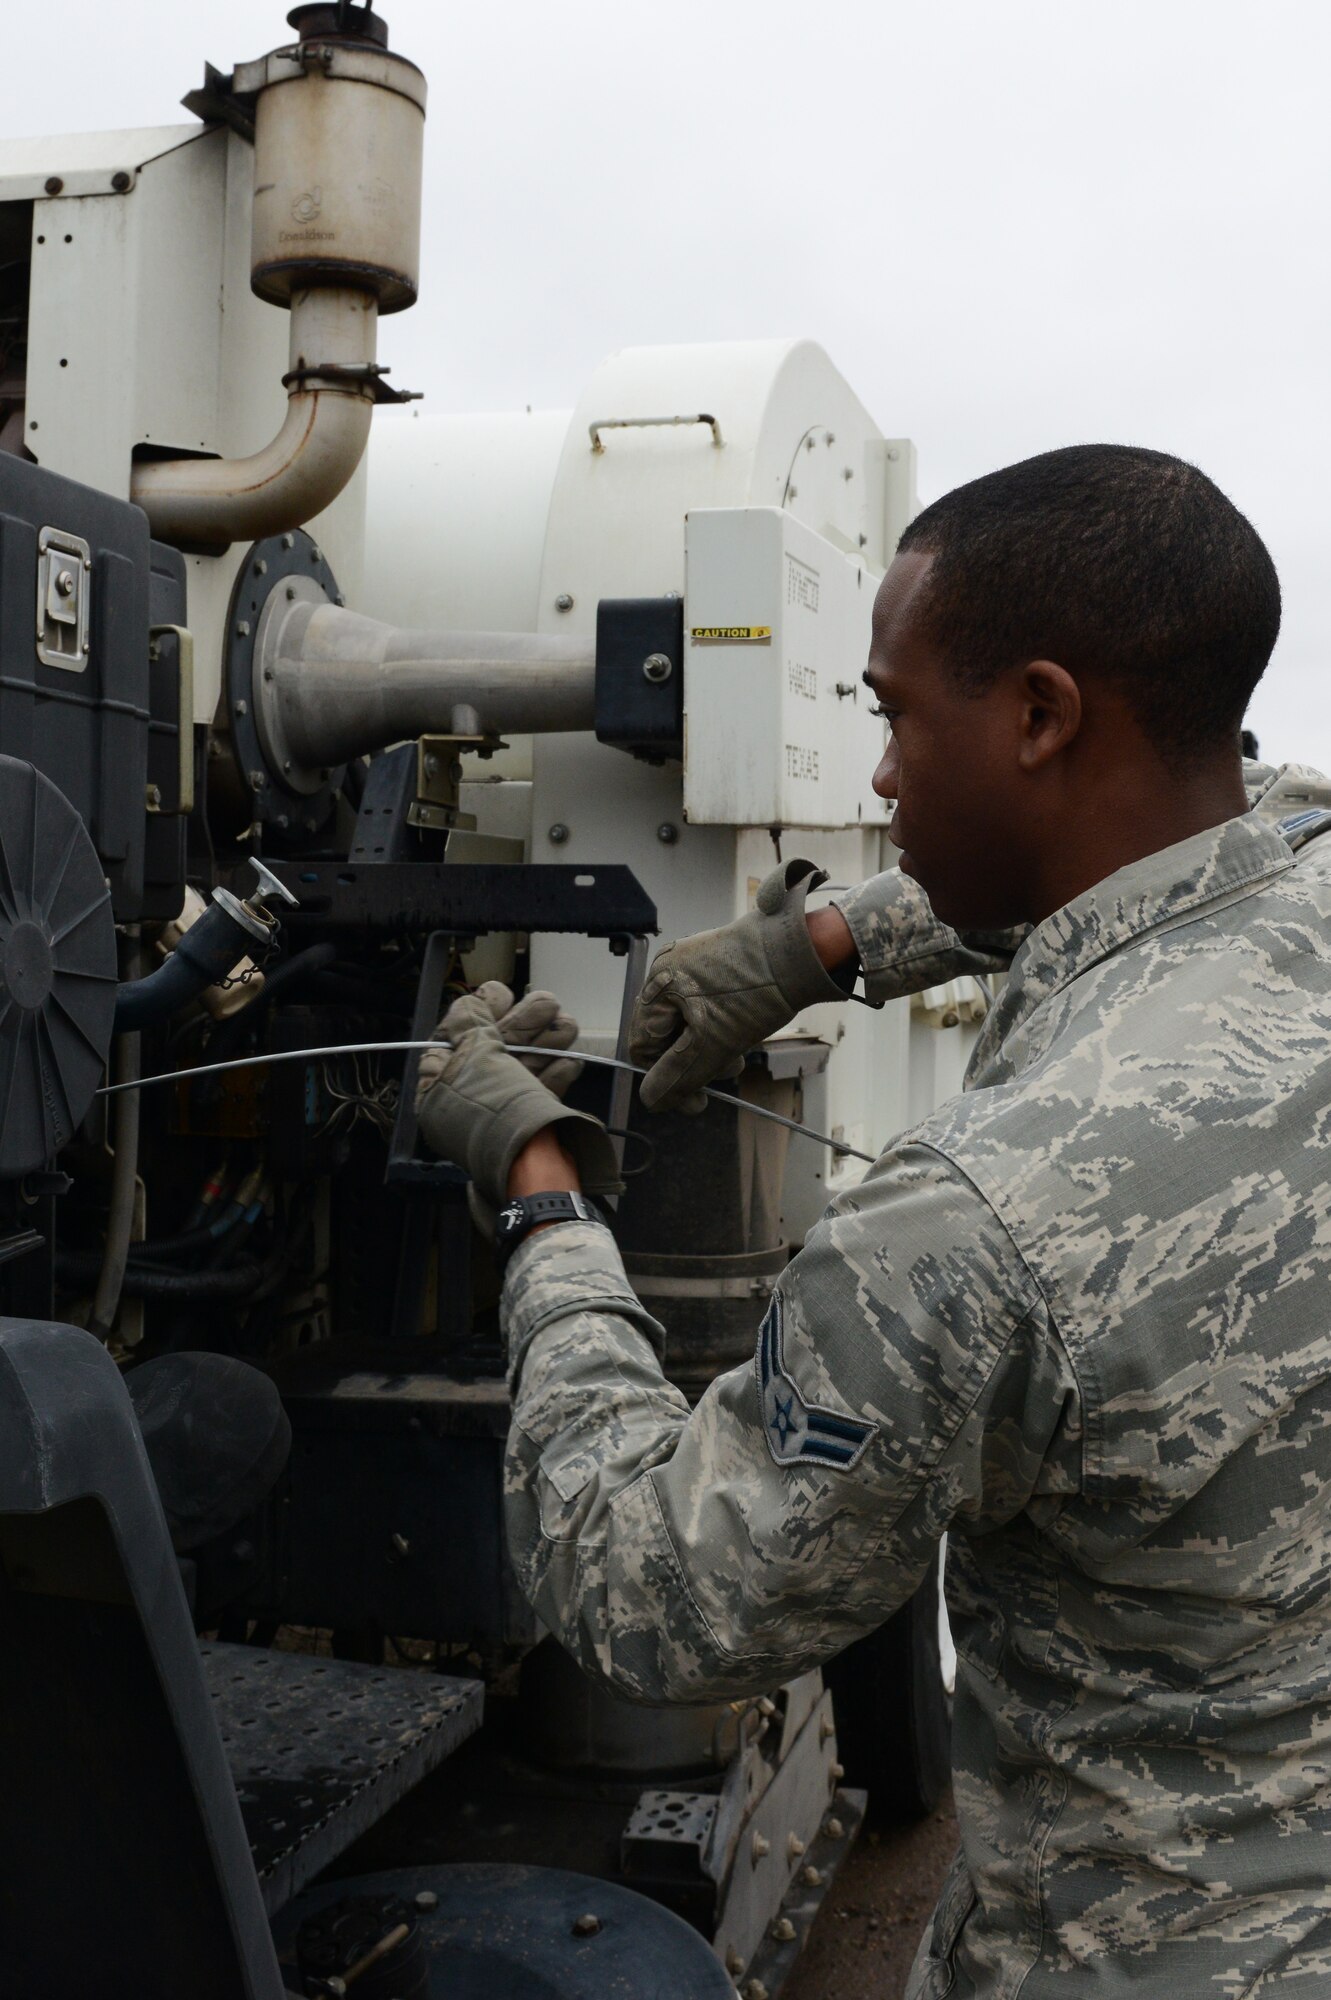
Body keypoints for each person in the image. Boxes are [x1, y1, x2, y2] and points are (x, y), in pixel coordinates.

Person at [416, 444, 1331, 1996]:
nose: (885, 775)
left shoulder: (974, 1220)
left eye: (897, 713)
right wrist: (819, 942)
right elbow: (1225, 828)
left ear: (1041, 714)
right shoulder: (1301, 872)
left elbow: (658, 1593)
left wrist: (538, 1189)